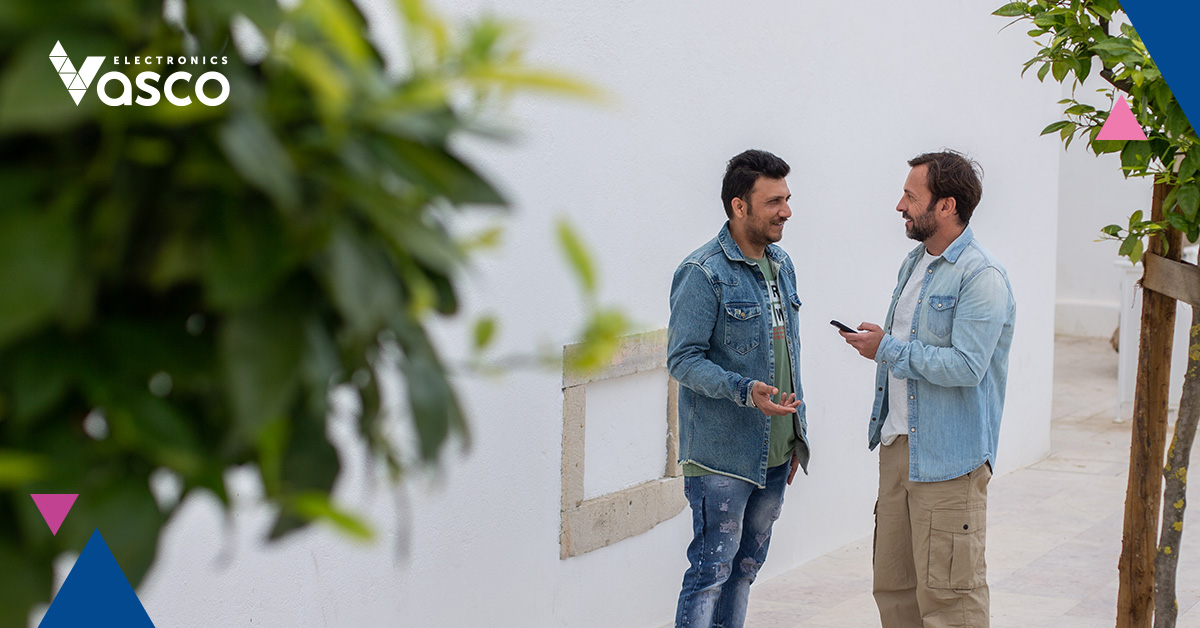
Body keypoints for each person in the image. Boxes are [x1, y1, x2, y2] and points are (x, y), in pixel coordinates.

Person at [840, 150, 1015, 628]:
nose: (900, 205)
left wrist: (888, 349)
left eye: (911, 196)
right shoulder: (915, 263)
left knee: (950, 599)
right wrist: (884, 342)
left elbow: (967, 365)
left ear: (946, 206)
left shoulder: (982, 276)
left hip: (950, 461)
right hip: (899, 450)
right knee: (894, 590)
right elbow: (911, 346)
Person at [667, 149, 811, 628]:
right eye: (773, 201)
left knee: (745, 571)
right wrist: (744, 389)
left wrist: (795, 436)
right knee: (711, 571)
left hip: (774, 453)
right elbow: (682, 360)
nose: (786, 211)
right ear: (739, 206)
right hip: (722, 458)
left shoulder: (783, 264)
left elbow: (788, 353)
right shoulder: (703, 272)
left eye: (787, 199)